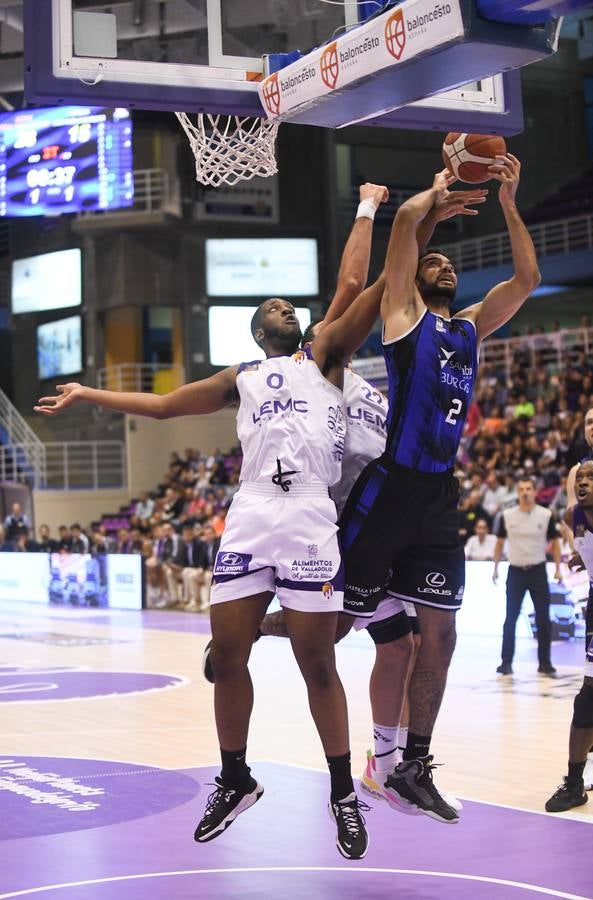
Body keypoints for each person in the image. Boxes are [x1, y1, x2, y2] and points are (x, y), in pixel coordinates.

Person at [33, 182, 394, 861]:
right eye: (276, 307)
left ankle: (342, 792)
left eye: (292, 305)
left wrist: (376, 210)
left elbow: (355, 280)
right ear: (260, 331)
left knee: (316, 662)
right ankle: (234, 777)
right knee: (227, 656)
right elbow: (167, 407)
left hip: (311, 513)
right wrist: (89, 391)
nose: (289, 308)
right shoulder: (243, 375)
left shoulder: (324, 356)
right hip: (253, 510)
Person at [337, 153, 540, 824]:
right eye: (433, 264)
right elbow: (404, 226)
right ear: (415, 281)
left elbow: (527, 278)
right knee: (335, 623)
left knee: (437, 638)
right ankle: (249, 628)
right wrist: (438, 187)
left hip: (436, 496)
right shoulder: (403, 317)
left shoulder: (470, 327)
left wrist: (507, 201)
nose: (444, 266)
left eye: (450, 265)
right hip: (388, 488)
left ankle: (409, 763)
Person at [545, 460, 593, 812]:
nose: (583, 482)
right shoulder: (575, 516)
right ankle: (574, 782)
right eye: (582, 477)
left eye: (592, 477)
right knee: (587, 699)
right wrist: (580, 557)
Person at [493, 477, 562, 675]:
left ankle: (545, 663)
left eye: (528, 488)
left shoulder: (546, 514)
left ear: (534, 491)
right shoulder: (507, 515)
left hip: (538, 570)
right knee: (510, 618)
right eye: (521, 488)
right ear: (517, 492)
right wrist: (495, 567)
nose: (525, 492)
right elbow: (499, 543)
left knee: (543, 618)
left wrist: (557, 568)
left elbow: (555, 542)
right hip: (515, 571)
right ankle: (506, 662)